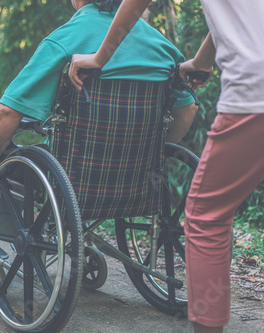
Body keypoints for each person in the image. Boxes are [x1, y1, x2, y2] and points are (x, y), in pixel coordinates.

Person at [68, 1, 264, 333]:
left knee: (206, 216)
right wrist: (201, 62)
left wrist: (100, 58)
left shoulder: (69, 36)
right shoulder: (159, 46)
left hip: (254, 93)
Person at [0, 0, 197, 254]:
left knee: (3, 158)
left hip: (75, 177)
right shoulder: (162, 46)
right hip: (138, 180)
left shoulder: (66, 38)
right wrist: (151, 156)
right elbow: (188, 109)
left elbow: (8, 112)